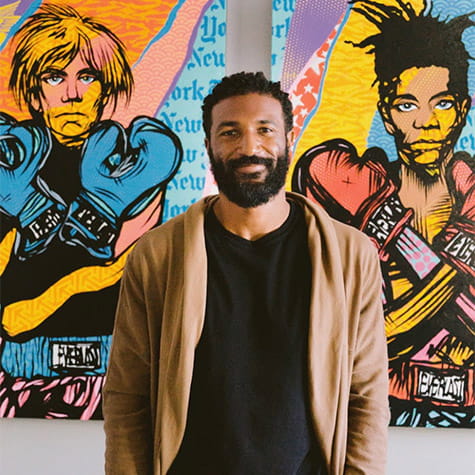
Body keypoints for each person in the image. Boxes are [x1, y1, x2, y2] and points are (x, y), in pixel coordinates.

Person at [103, 71, 389, 474]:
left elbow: (367, 396)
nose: (249, 147)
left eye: (265, 130)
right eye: (230, 133)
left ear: (289, 139)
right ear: (208, 146)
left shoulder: (349, 256)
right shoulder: (157, 255)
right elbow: (127, 396)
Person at [292, 0, 474, 427]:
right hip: (367, 410)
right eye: (408, 106)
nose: (426, 123)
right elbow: (325, 335)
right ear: (388, 115)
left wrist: (394, 321)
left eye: (442, 104)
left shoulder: (469, 193)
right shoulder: (353, 181)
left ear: (463, 111)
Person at [0, 4, 182, 418]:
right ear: (34, 92)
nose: (72, 92)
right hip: (19, 371)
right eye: (54, 76)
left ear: (105, 89)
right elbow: (9, 316)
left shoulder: (131, 169)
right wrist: (74, 282)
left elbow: (137, 273)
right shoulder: (9, 163)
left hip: (111, 371)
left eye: (87, 76)